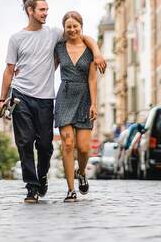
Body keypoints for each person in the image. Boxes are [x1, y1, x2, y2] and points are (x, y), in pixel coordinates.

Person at [0, 0, 106, 204]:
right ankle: (32, 187)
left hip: (46, 98)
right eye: (42, 10)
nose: (46, 13)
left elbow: (82, 37)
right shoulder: (16, 39)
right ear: (30, 11)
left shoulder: (54, 34)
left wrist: (97, 52)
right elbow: (9, 69)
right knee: (25, 142)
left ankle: (43, 175)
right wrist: (2, 99)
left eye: (47, 9)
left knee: (46, 145)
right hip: (21, 94)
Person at [53, 11, 98, 203]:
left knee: (84, 147)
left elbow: (93, 79)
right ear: (64, 28)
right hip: (64, 95)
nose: (72, 30)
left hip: (85, 97)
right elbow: (49, 69)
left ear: (81, 26)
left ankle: (81, 172)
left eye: (75, 26)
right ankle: (71, 190)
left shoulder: (90, 48)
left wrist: (94, 103)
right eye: (68, 26)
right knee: (68, 143)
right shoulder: (59, 48)